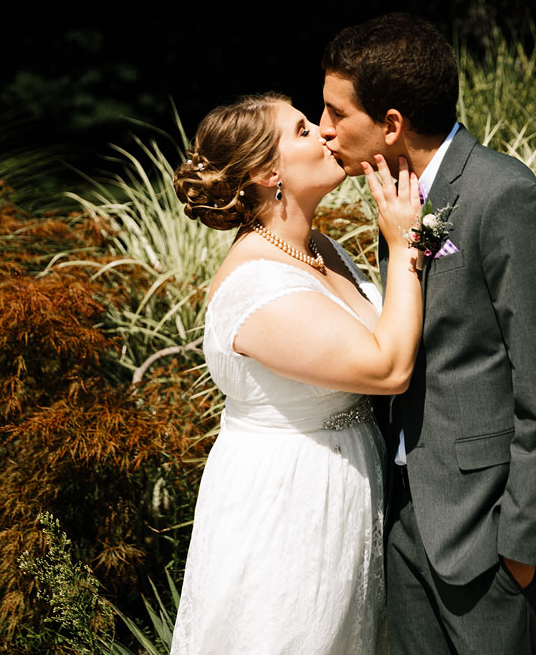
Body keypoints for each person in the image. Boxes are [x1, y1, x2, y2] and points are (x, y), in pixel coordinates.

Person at [319, 13, 536, 654]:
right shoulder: (400, 197)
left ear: (390, 124)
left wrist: (522, 547)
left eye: (336, 112)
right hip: (405, 519)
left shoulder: (504, 198)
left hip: (484, 533)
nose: (324, 128)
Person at [168, 92, 423, 654]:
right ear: (266, 172)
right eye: (306, 130)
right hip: (288, 508)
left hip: (348, 492)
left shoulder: (323, 250)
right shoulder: (259, 286)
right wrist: (405, 243)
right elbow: (388, 366)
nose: (328, 134)